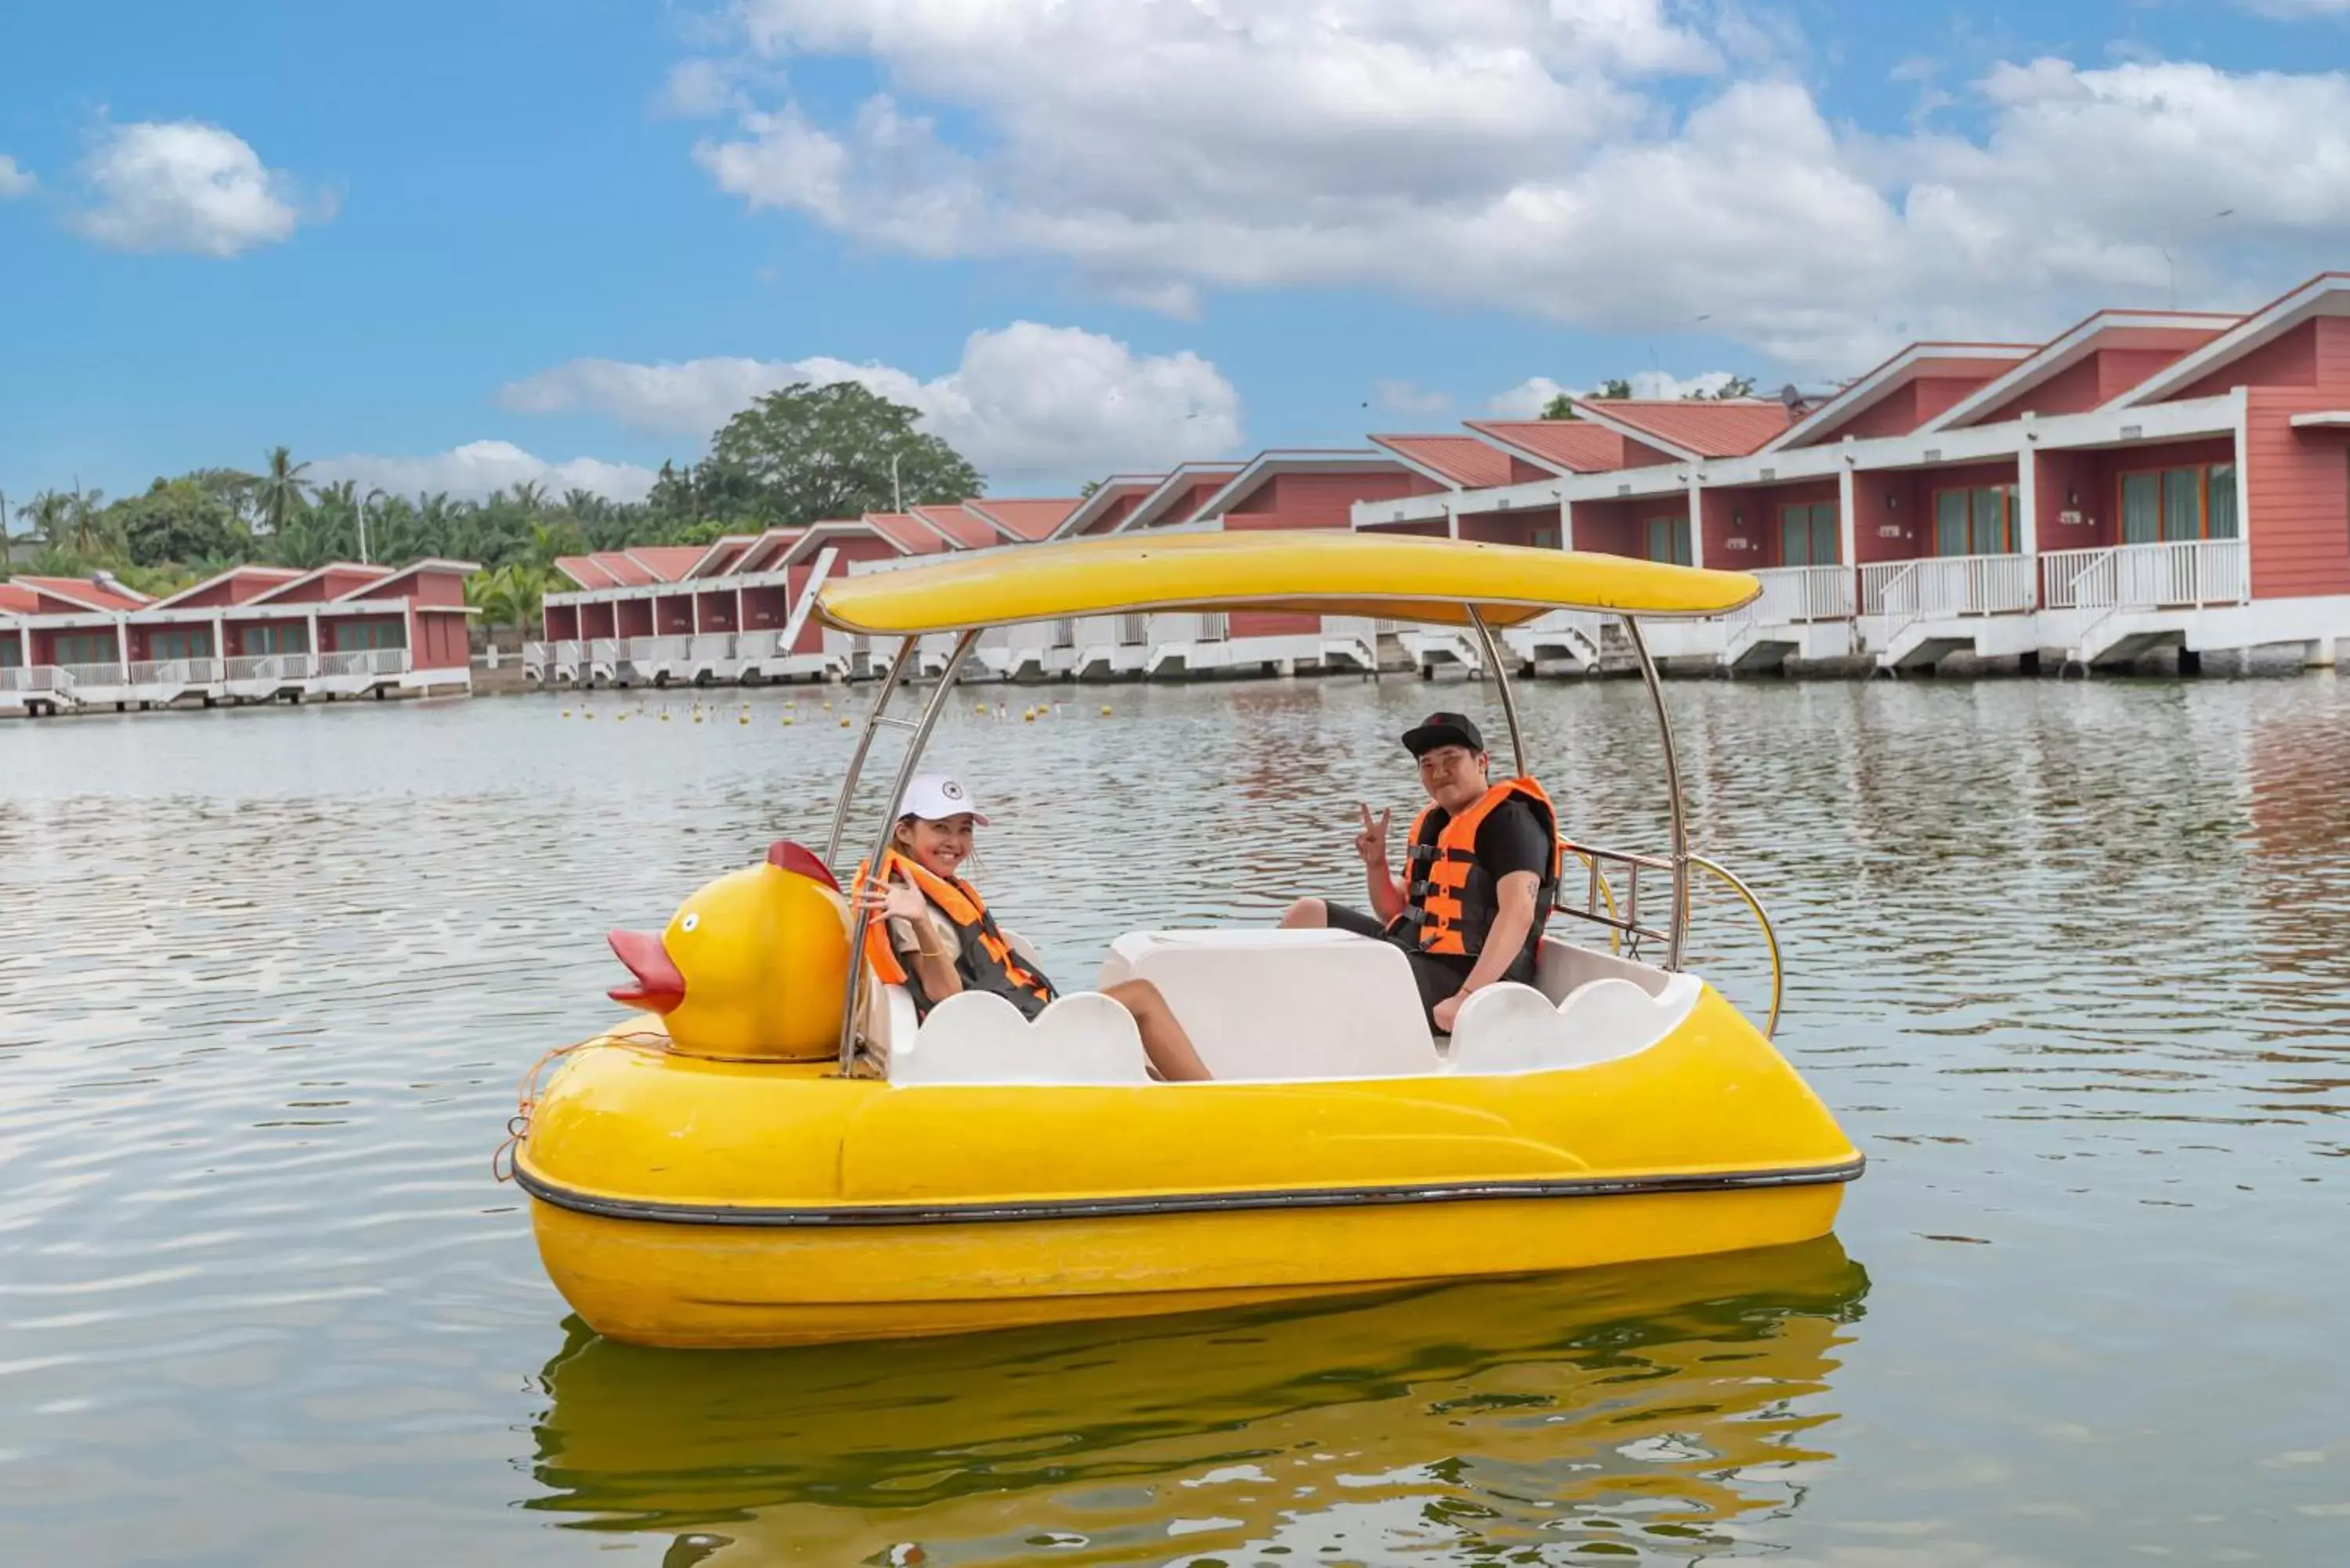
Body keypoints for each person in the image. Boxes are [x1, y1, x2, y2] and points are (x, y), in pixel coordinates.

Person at [851, 775, 1213, 1082]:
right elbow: (945, 995)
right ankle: (1215, 1098)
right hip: (1001, 1040)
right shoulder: (901, 902)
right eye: (940, 828)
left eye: (964, 830)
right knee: (1141, 997)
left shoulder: (934, 888)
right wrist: (919, 920)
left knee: (1137, 1068)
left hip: (1013, 1022)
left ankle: (1197, 1108)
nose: (955, 842)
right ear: (905, 832)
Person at [1281, 712, 1558, 1034]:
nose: (1439, 772)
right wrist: (1376, 865)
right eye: (1427, 764)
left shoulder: (1510, 821)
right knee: (1307, 914)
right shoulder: (1435, 822)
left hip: (1476, 981)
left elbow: (1518, 913)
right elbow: (1394, 912)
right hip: (1415, 956)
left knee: (1352, 969)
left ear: (1482, 761)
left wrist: (1466, 998)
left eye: (1450, 759)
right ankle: (1262, 1013)